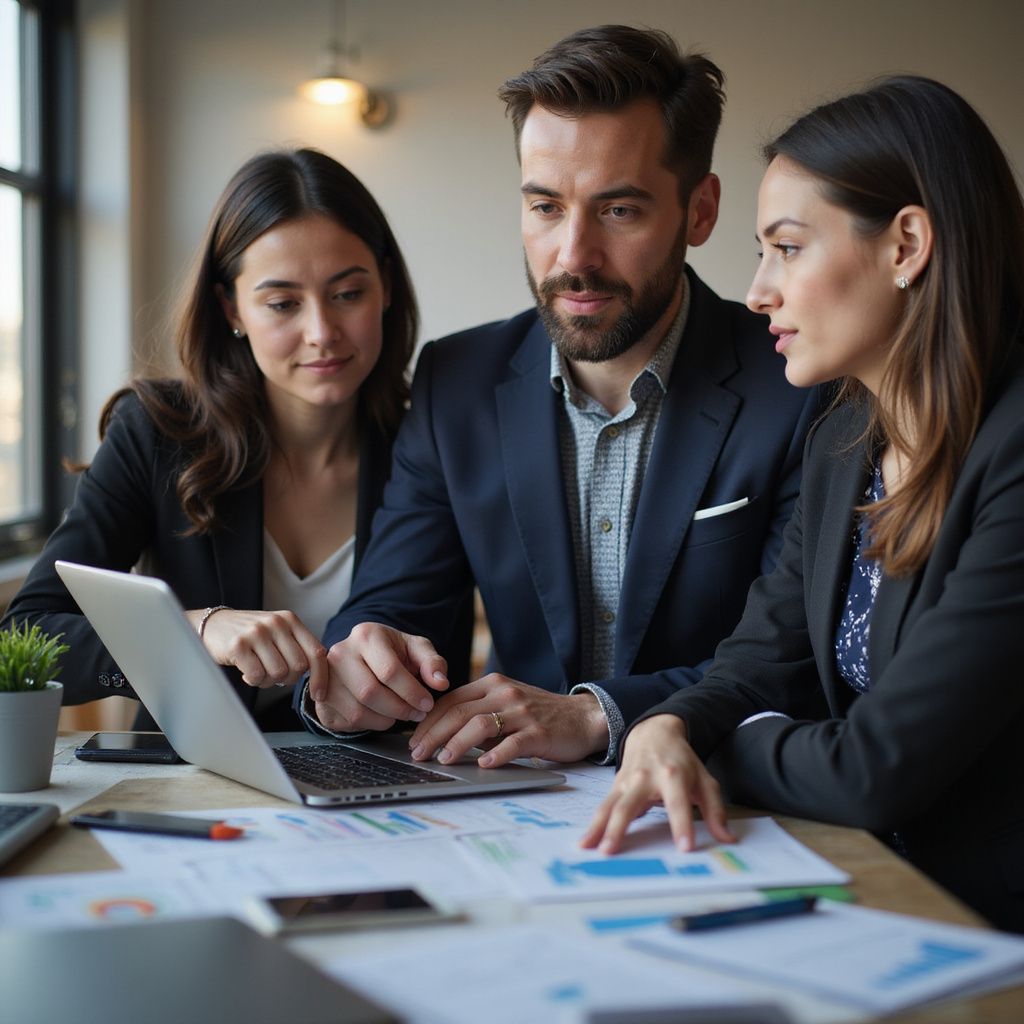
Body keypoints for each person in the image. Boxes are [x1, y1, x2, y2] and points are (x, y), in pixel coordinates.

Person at [299, 25, 821, 766]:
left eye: (619, 211)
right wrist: (363, 660)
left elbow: (795, 657)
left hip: (730, 798)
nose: (573, 257)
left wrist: (599, 717)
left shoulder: (794, 385)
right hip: (511, 803)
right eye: (546, 207)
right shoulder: (458, 382)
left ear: (699, 212)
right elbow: (388, 604)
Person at [581, 76, 1024, 932]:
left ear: (906, 245)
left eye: (787, 248)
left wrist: (720, 743)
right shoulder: (843, 437)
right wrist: (669, 726)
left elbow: (874, 769)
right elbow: (758, 660)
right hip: (861, 880)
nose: (756, 292)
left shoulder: (1013, 451)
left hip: (984, 923)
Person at [1, 148, 467, 730]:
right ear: (231, 308)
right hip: (198, 789)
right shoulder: (158, 432)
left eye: (348, 294)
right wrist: (195, 628)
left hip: (391, 783)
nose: (322, 332)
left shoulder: (439, 440)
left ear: (387, 287)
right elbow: (24, 635)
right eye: (282, 303)